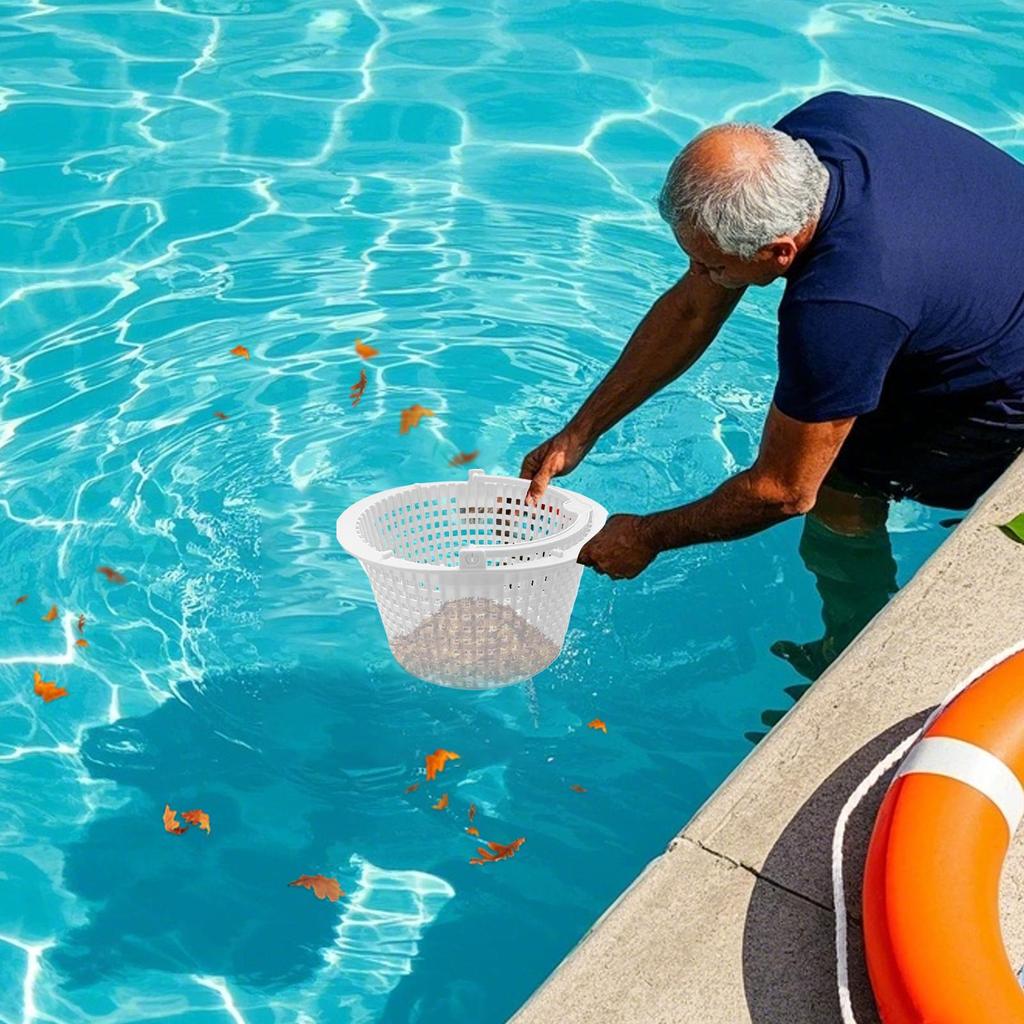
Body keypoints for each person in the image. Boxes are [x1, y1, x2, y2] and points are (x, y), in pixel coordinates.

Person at [519, 90, 1024, 680]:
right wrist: (581, 431)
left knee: (841, 483)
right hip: (982, 272)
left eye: (713, 266)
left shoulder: (840, 306)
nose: (700, 277)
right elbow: (692, 309)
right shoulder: (813, 133)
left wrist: (648, 535)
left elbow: (784, 491)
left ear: (780, 252)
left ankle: (853, 649)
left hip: (1003, 375)